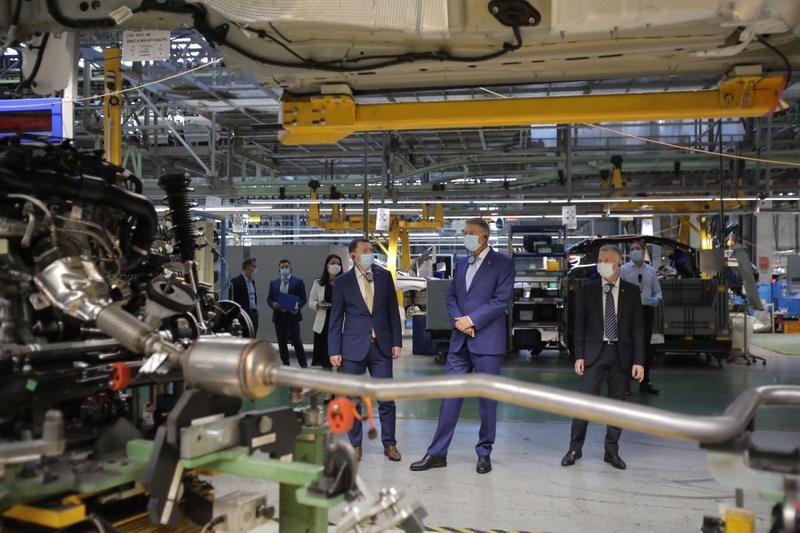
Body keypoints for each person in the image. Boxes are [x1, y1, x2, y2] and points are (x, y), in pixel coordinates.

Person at [410, 218, 514, 475]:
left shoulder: (503, 263)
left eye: (471, 233)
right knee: (449, 399)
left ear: (485, 236)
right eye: (465, 233)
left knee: (487, 402)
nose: (466, 237)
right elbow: (451, 296)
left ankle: (484, 452)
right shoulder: (462, 262)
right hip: (460, 342)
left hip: (487, 341)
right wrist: (459, 321)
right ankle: (437, 453)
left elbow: (501, 301)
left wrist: (471, 320)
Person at [561, 243, 645, 471]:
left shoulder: (631, 291)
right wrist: (578, 355)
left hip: (620, 354)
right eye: (600, 260)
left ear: (619, 263)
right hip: (593, 354)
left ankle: (611, 451)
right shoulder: (587, 289)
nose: (602, 265)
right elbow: (579, 325)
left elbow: (638, 328)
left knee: (617, 405)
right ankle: (574, 449)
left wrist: (639, 360)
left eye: (607, 260)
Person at [328, 239, 402, 462]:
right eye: (365, 251)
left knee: (386, 399)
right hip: (352, 348)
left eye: (371, 250)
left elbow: (392, 312)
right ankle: (356, 446)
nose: (370, 254)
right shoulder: (342, 283)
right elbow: (336, 319)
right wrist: (334, 350)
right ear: (353, 256)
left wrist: (396, 341)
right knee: (352, 400)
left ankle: (389, 444)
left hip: (381, 348)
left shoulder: (384, 276)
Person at [620, 241, 662, 395]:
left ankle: (645, 382)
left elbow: (657, 291)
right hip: (628, 313)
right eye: (632, 249)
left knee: (644, 347)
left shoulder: (651, 271)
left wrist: (656, 299)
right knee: (627, 347)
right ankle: (625, 384)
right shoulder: (623, 270)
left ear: (644, 251)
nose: (635, 251)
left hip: (645, 311)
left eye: (638, 248)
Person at [267, 259, 308, 367]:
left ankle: (303, 365)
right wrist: (273, 304)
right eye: (282, 267)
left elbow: (303, 299)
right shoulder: (273, 283)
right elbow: (269, 299)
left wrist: (297, 306)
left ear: (291, 268)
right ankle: (285, 364)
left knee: (297, 341)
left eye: (286, 267)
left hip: (292, 316)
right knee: (281, 342)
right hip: (279, 317)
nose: (284, 269)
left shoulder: (298, 282)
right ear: (279, 269)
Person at [309, 254, 342, 369]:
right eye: (332, 263)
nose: (335, 266)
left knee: (340, 359)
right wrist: (318, 305)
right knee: (324, 361)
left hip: (339, 323)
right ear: (326, 266)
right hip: (323, 324)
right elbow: (311, 302)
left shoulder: (344, 283)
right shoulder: (318, 283)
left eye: (338, 264)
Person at [229, 258, 259, 337]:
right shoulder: (236, 281)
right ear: (247, 266)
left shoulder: (252, 281)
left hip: (253, 314)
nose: (255, 269)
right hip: (242, 316)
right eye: (254, 266)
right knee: (245, 339)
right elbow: (233, 300)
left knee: (253, 338)